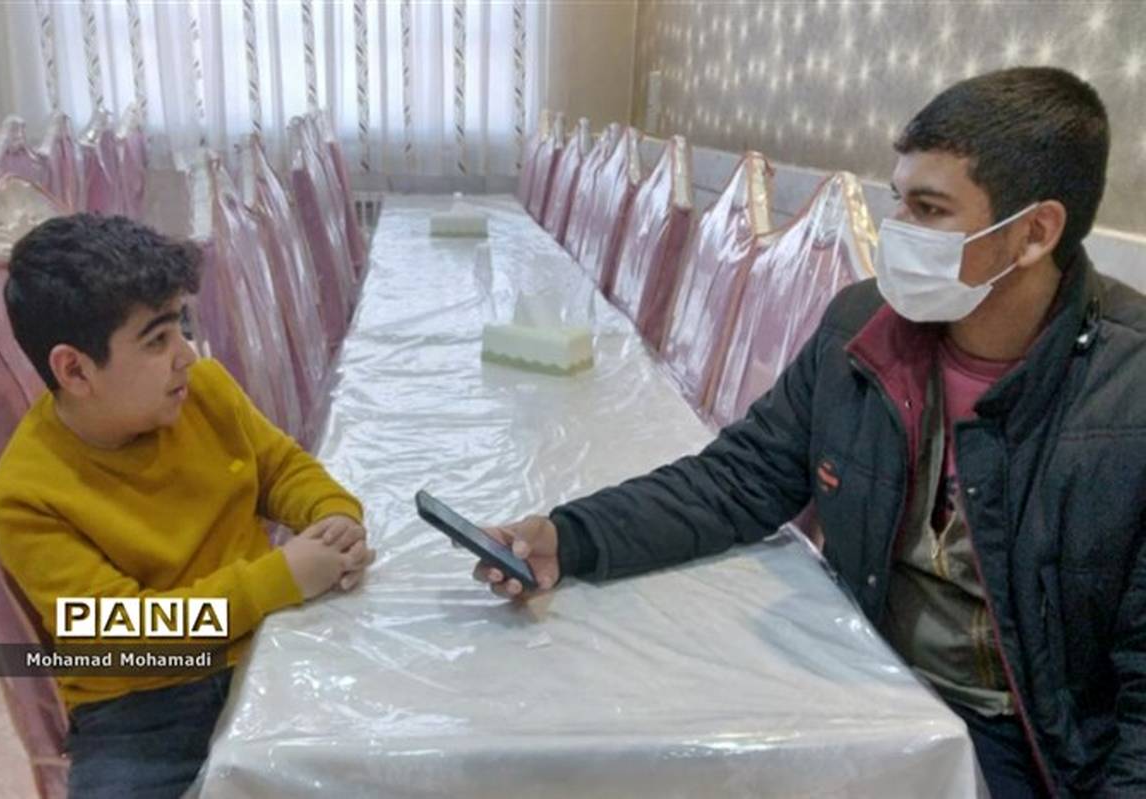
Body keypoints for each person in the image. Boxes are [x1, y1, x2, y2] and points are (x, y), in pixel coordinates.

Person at [472, 67, 1144, 797]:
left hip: (1029, 745)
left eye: (929, 209)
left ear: (1035, 232)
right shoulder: (864, 330)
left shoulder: (1126, 393)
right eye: (898, 201)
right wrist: (570, 536)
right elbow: (738, 479)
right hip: (865, 684)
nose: (896, 233)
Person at [0, 214, 375, 798]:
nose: (186, 355)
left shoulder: (203, 393)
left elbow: (281, 468)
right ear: (75, 369)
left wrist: (331, 513)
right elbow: (123, 635)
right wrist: (278, 579)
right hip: (143, 710)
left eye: (181, 327)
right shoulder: (26, 495)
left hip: (268, 645)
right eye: (157, 340)